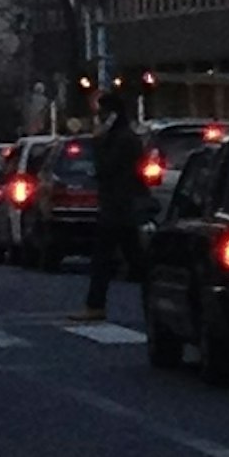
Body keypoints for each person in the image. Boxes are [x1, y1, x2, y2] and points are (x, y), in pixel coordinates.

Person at [80, 80, 149, 320]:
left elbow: (106, 167)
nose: (100, 118)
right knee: (132, 258)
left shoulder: (122, 140)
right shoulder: (125, 137)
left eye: (103, 114)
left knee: (105, 258)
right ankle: (97, 305)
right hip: (120, 206)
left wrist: (98, 141)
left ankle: (95, 305)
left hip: (118, 207)